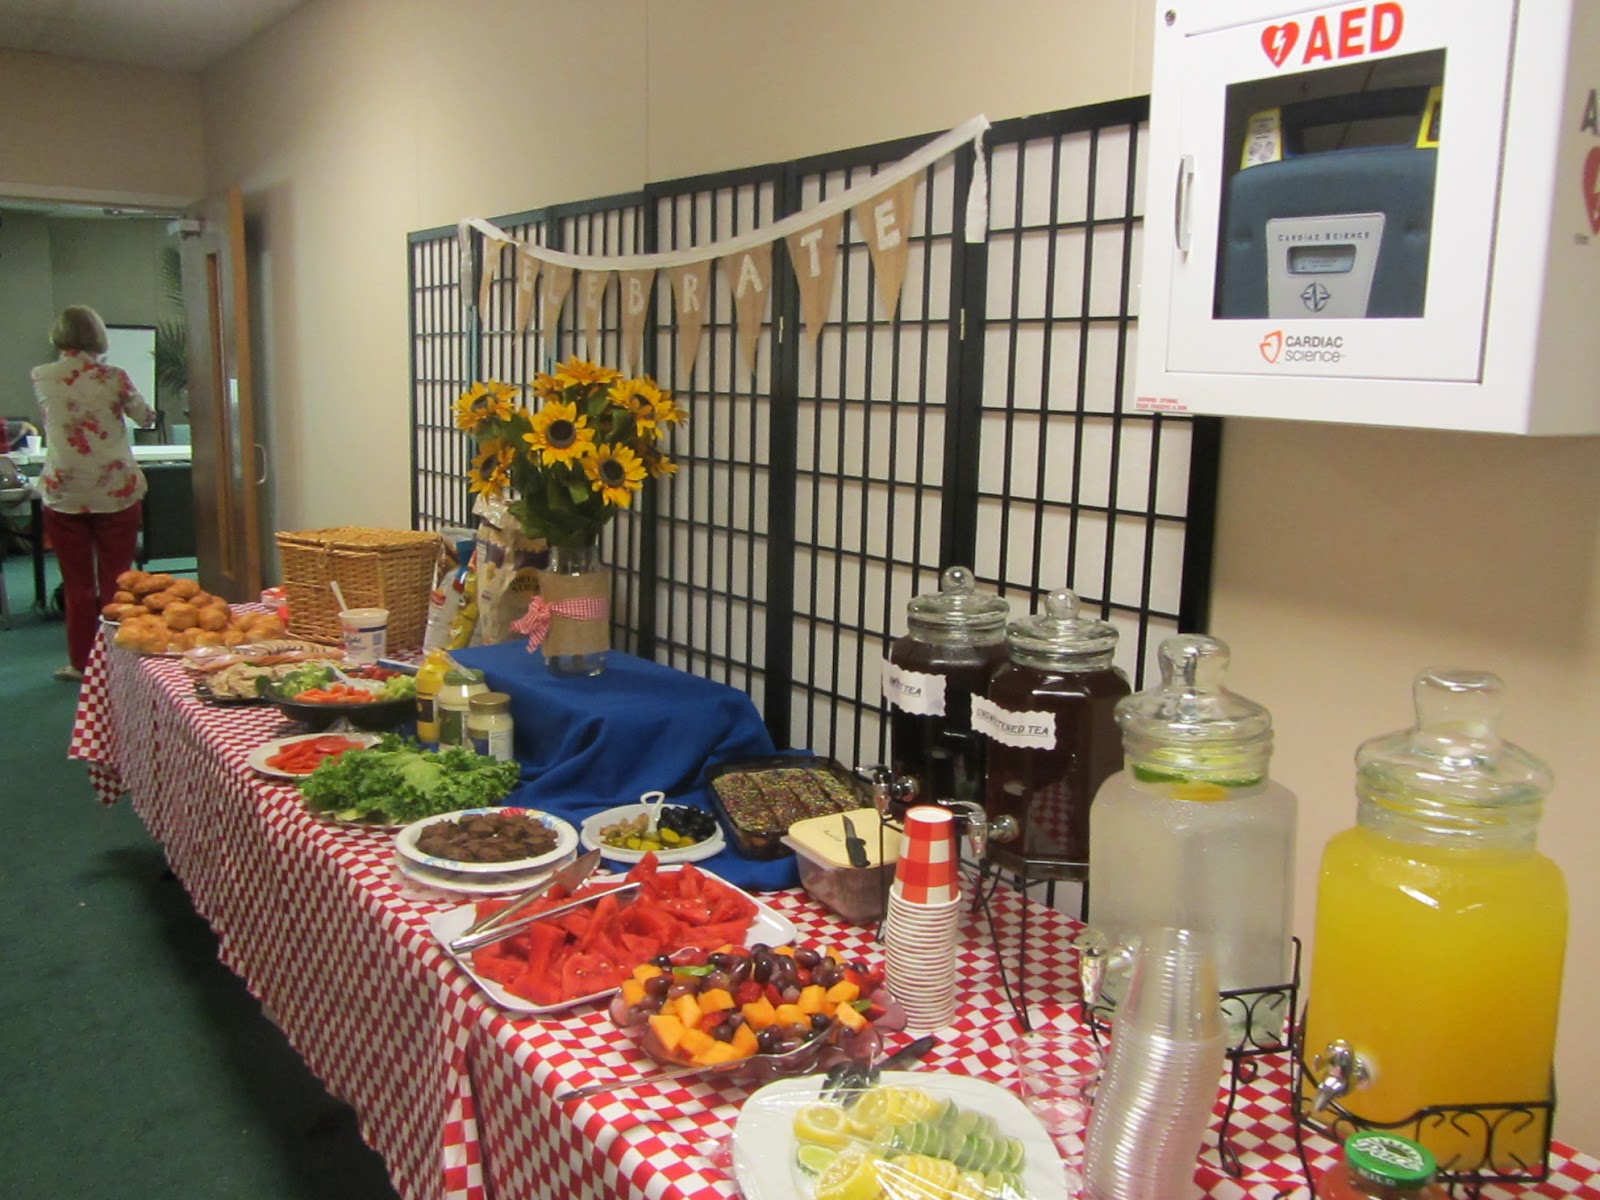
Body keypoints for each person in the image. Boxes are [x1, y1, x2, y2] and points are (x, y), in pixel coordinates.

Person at [32, 305, 155, 682]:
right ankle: (122, 659)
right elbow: (145, 418)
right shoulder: (115, 377)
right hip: (114, 489)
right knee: (119, 578)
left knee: (78, 583)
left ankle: (81, 662)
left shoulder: (42, 376)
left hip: (64, 491)